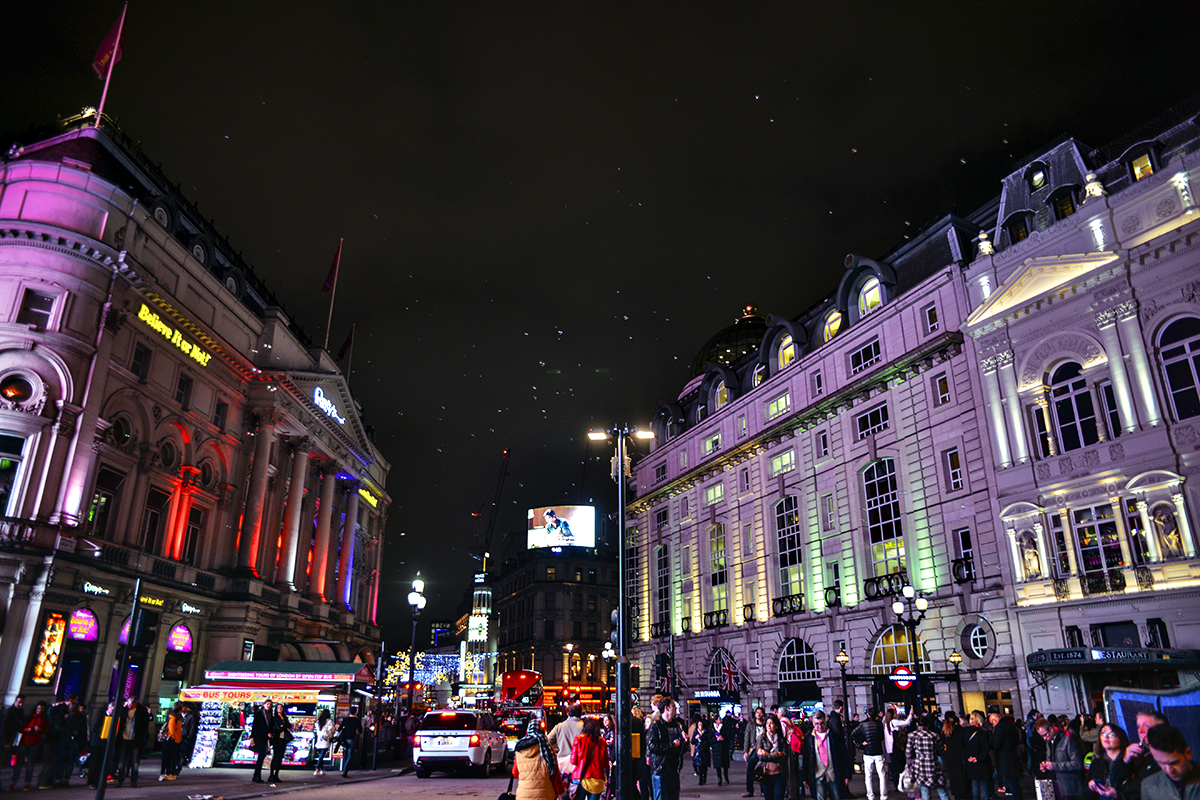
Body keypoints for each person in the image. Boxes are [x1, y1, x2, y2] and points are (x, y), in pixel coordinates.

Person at [1141, 724, 1199, 800]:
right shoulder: (1149, 786)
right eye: (1160, 763)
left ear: (1188, 753)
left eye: (1174, 763)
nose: (1169, 770)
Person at [516, 717, 565, 800]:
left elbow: (515, 772)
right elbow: (554, 774)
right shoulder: (547, 747)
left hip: (523, 795)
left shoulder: (520, 748)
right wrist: (560, 794)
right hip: (545, 795)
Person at [1123, 710, 1169, 800]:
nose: (1140, 731)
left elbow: (1133, 791)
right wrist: (1125, 761)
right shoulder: (1141, 755)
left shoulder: (1165, 758)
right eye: (1138, 726)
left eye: (1146, 726)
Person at [647, 697, 686, 800]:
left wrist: (684, 741)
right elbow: (652, 746)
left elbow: (682, 749)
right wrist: (671, 746)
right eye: (673, 706)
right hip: (660, 770)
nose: (676, 708)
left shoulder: (678, 725)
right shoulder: (656, 726)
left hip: (674, 769)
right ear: (666, 708)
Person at [804, 710, 847, 800]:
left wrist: (847, 775)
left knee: (837, 797)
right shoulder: (809, 737)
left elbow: (844, 755)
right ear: (812, 723)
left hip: (833, 774)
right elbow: (806, 759)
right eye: (817, 724)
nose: (819, 726)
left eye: (822, 723)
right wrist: (805, 777)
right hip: (818, 774)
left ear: (826, 721)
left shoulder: (835, 735)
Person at [1039, 717, 1085, 800]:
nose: (1044, 738)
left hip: (1069, 786)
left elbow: (1077, 764)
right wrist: (1045, 765)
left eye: (1045, 734)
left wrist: (1054, 766)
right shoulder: (1049, 742)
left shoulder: (1068, 740)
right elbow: (1050, 759)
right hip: (1055, 784)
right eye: (1042, 736)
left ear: (1051, 729)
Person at [11, 700, 48, 791]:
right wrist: (27, 729)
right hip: (24, 742)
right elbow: (21, 728)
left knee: (30, 764)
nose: (39, 710)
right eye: (39, 708)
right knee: (19, 763)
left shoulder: (44, 720)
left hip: (34, 743)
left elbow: (45, 732)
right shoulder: (29, 718)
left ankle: (27, 783)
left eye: (42, 709)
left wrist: (40, 730)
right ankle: (13, 782)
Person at [1086, 723, 1129, 800]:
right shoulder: (1096, 762)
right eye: (1103, 733)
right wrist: (1090, 786)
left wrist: (1116, 795)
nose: (1106, 736)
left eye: (1111, 734)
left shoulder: (1129, 760)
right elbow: (1085, 792)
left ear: (1121, 739)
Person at [115, 697, 150, 789]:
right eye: (128, 704)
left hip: (135, 739)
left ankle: (134, 780)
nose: (129, 706)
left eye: (131, 705)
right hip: (123, 738)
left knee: (134, 761)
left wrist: (141, 738)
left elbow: (144, 727)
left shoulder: (141, 712)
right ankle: (120, 780)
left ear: (135, 704)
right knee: (122, 761)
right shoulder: (123, 710)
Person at [570, 717, 609, 800]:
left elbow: (573, 761)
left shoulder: (578, 739)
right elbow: (605, 763)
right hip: (597, 779)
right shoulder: (602, 742)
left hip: (580, 778)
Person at [854, 708, 886, 800]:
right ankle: (883, 795)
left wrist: (861, 742)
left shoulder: (862, 724)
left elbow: (853, 734)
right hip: (878, 750)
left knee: (868, 775)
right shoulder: (879, 724)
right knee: (882, 775)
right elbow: (882, 737)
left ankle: (870, 795)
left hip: (868, 751)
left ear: (867, 714)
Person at [551, 703, 586, 787]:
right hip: (580, 766)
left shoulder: (559, 727)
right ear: (581, 713)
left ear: (567, 713)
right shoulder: (585, 727)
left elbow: (547, 740)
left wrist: (557, 746)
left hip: (562, 767)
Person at [991, 713, 1024, 800]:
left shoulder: (999, 728)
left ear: (995, 720)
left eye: (992, 722)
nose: (992, 725)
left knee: (1012, 782)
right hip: (1013, 755)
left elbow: (996, 744)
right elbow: (1017, 738)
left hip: (1004, 758)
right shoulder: (1011, 726)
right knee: (1014, 781)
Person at [757, 714, 790, 800]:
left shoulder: (781, 740)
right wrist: (777, 754)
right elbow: (760, 757)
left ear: (776, 726)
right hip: (765, 774)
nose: (768, 725)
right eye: (767, 723)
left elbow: (784, 757)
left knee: (779, 797)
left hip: (779, 774)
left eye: (771, 723)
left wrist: (767, 755)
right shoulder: (762, 738)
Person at [86, 702, 116, 789]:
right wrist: (104, 731)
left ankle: (99, 780)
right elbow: (95, 728)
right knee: (94, 762)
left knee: (101, 763)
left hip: (105, 743)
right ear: (109, 708)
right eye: (112, 710)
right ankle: (91, 781)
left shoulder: (113, 718)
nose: (113, 712)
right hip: (97, 743)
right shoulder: (101, 716)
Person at [965, 712, 993, 800]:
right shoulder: (982, 733)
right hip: (982, 762)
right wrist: (978, 758)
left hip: (970, 761)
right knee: (984, 784)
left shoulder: (964, 732)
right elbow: (986, 748)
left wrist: (968, 757)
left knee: (974, 784)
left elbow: (962, 746)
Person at [886, 706, 914, 792]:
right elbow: (906, 722)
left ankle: (897, 783)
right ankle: (900, 784)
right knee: (899, 765)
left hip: (893, 746)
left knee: (895, 765)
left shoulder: (888, 722)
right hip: (897, 746)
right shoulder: (894, 722)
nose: (896, 714)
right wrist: (910, 714)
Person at [943, 712, 969, 800]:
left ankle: (957, 795)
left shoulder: (945, 732)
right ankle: (964, 794)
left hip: (950, 758)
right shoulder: (960, 731)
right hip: (960, 757)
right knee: (962, 777)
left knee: (953, 777)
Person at [746, 707, 769, 798]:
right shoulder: (751, 724)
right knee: (750, 770)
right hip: (754, 749)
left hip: (764, 749)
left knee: (763, 770)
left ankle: (764, 790)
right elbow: (746, 738)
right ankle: (749, 790)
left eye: (760, 712)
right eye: (757, 712)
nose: (758, 714)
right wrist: (745, 751)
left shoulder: (766, 724)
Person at [250, 699, 274, 783]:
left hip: (265, 738)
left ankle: (257, 775)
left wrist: (270, 732)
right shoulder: (259, 714)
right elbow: (255, 726)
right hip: (259, 737)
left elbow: (270, 726)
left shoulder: (270, 714)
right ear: (264, 704)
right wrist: (252, 737)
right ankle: (257, 776)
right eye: (267, 704)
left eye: (270, 704)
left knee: (262, 756)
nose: (269, 706)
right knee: (261, 756)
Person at [335, 707, 362, 778]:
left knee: (345, 755)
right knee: (350, 756)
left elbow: (339, 728)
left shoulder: (345, 720)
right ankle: (345, 771)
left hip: (344, 739)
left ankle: (344, 769)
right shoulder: (356, 721)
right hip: (352, 739)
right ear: (356, 712)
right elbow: (360, 731)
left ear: (350, 712)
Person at [269, 705, 292, 783]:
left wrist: (283, 726)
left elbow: (289, 725)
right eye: (278, 708)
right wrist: (284, 727)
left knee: (280, 757)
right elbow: (278, 728)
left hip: (283, 739)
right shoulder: (275, 718)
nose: (280, 709)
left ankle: (276, 775)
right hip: (277, 739)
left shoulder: (285, 718)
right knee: (276, 756)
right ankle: (271, 775)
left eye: (281, 708)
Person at [691, 716, 715, 786]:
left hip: (705, 751)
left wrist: (704, 739)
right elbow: (692, 741)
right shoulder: (696, 732)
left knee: (704, 766)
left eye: (701, 725)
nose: (700, 727)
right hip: (698, 751)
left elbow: (709, 740)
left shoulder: (706, 732)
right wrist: (696, 738)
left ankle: (704, 777)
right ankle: (700, 779)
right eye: (699, 725)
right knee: (700, 766)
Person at [718, 712, 738, 787]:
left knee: (725, 765)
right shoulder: (713, 728)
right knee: (718, 765)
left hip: (724, 747)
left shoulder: (725, 726)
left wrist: (724, 738)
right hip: (717, 748)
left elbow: (728, 735)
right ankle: (719, 779)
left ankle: (726, 778)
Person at [313, 709, 335, 776]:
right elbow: (332, 730)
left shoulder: (318, 722)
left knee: (321, 755)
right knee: (322, 756)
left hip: (319, 740)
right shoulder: (329, 722)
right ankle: (317, 769)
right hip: (326, 740)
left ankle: (322, 770)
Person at [179, 704, 198, 773]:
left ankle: (181, 763)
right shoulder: (179, 715)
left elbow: (192, 727)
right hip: (178, 736)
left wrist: (189, 736)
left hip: (185, 736)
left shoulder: (191, 716)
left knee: (183, 750)